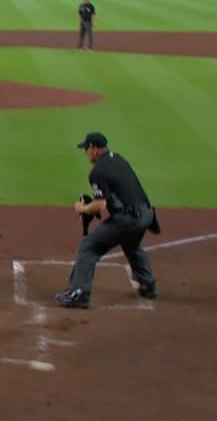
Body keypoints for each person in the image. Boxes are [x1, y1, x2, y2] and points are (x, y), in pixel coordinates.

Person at [55, 132, 159, 309]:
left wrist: (82, 208)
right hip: (147, 214)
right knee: (132, 245)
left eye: (86, 149)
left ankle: (80, 293)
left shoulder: (97, 172)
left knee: (88, 248)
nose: (86, 153)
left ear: (94, 150)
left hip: (128, 218)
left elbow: (100, 205)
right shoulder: (118, 159)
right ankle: (148, 285)